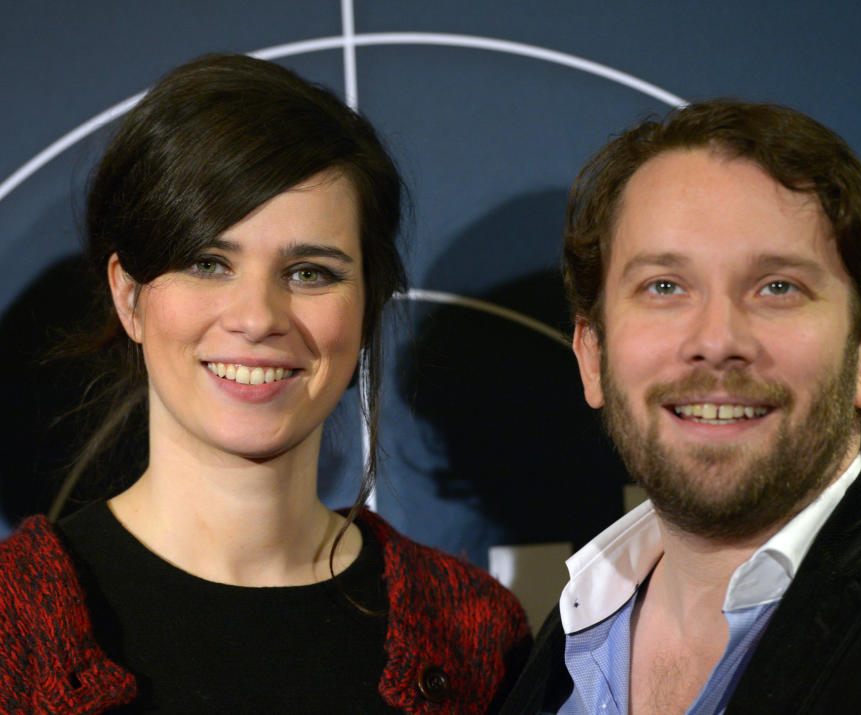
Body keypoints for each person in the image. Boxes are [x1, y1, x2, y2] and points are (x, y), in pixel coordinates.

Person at [0, 54, 529, 714]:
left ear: (367, 307)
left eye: (310, 272)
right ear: (129, 297)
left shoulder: (476, 633)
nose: (256, 318)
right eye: (208, 262)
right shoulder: (12, 622)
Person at [503, 100, 861, 714]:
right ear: (593, 357)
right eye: (664, 287)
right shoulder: (563, 640)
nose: (716, 341)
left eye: (778, 287)